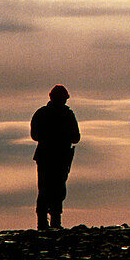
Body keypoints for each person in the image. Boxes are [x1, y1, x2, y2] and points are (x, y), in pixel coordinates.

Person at [30, 85, 80, 230]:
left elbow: (76, 137)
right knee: (50, 189)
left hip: (54, 157)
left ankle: (51, 222)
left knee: (53, 189)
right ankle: (47, 223)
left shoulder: (44, 113)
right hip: (52, 157)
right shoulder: (63, 114)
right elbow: (75, 137)